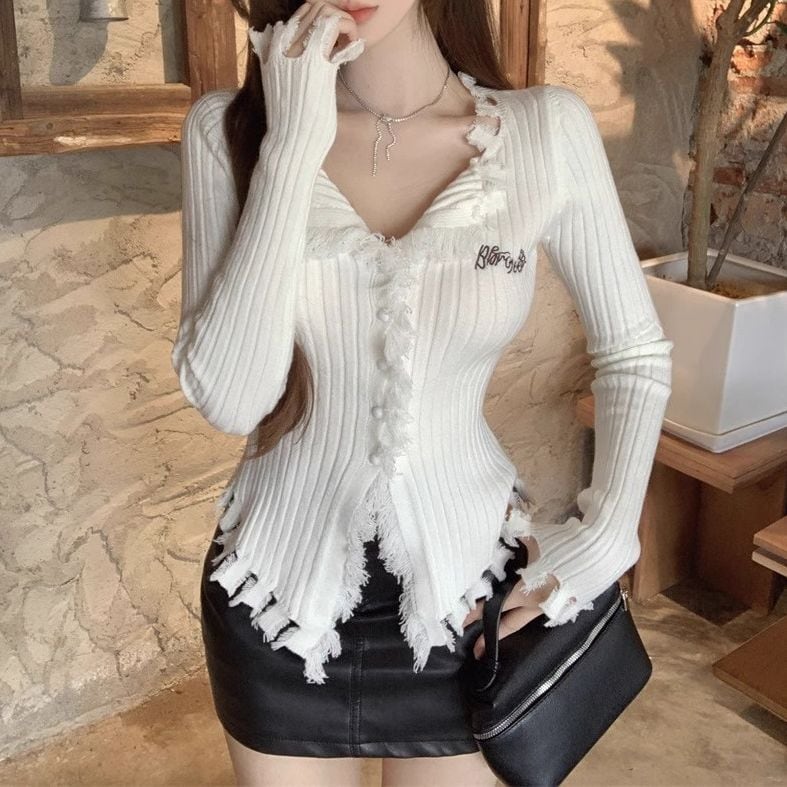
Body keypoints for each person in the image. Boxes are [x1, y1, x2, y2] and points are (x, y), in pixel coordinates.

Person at [172, 0, 673, 784]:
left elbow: (633, 350)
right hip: (274, 599)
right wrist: (291, 146)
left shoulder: (544, 131)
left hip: (468, 605)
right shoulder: (225, 131)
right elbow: (234, 400)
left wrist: (608, 534)